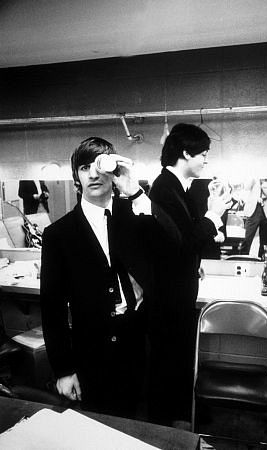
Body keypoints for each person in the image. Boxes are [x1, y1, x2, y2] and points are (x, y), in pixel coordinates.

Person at [40, 137, 170, 419]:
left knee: (144, 426)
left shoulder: (135, 216)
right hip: (93, 352)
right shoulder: (58, 235)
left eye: (100, 165)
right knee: (102, 427)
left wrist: (134, 191)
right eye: (85, 167)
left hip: (140, 342)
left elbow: (172, 246)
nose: (94, 174)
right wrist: (63, 370)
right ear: (76, 176)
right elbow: (52, 310)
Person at [148, 123, 230, 427]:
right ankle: (166, 427)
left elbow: (182, 241)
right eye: (203, 153)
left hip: (179, 292)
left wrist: (195, 259)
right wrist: (213, 215)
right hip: (168, 298)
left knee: (179, 358)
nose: (206, 160)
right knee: (168, 362)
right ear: (186, 153)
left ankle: (180, 418)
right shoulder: (163, 189)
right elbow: (183, 241)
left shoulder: (178, 188)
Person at [240, 178, 267, 260]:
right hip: (253, 211)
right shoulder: (254, 176)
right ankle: (242, 260)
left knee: (264, 244)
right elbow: (246, 187)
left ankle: (261, 264)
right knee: (247, 240)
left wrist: (263, 183)